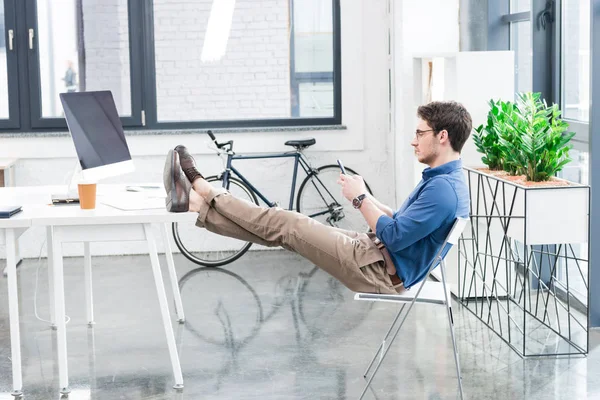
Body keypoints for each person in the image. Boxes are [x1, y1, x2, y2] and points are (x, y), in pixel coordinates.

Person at [163, 101, 471, 294]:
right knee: (283, 230)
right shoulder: (444, 180)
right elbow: (401, 221)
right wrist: (370, 198)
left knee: (289, 223)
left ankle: (202, 190)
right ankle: (195, 203)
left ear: (442, 136)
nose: (413, 140)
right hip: (373, 253)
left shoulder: (443, 190)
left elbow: (395, 236)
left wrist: (360, 199)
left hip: (377, 270)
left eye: (420, 133)